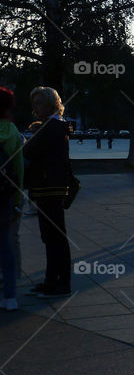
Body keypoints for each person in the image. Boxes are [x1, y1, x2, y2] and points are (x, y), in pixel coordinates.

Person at [23, 87, 73, 297]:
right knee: (51, 236)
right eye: (34, 103)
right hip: (49, 187)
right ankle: (51, 280)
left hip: (49, 187)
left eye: (39, 103)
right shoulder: (52, 126)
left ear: (52, 104)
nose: (36, 107)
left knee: (54, 236)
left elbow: (29, 151)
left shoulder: (51, 127)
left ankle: (60, 283)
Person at [0, 87, 24, 310]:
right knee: (5, 244)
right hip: (4, 196)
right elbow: (19, 169)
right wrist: (17, 199)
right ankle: (10, 297)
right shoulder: (13, 132)